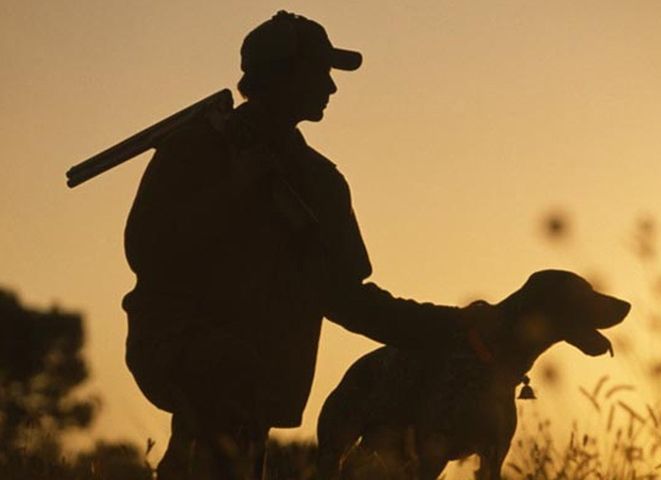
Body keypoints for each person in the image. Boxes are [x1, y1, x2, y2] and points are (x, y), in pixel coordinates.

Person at [122, 10, 498, 480]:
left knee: (236, 438)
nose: (332, 87)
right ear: (281, 74)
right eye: (320, 71)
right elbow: (146, 249)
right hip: (182, 347)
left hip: (261, 373)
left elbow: (351, 301)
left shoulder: (321, 182)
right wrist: (235, 191)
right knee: (224, 388)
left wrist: (458, 326)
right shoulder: (195, 148)